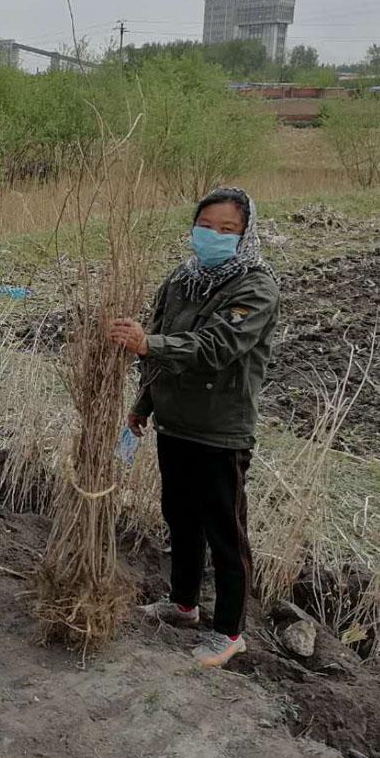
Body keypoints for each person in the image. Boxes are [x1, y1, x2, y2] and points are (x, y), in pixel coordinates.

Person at [108, 186, 280, 668]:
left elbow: (215, 348)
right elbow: (156, 351)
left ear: (246, 236)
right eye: (206, 226)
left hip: (219, 430)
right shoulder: (181, 280)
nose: (213, 236)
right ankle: (182, 603)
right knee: (179, 518)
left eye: (227, 230)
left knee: (224, 530)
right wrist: (142, 404)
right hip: (175, 423)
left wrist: (147, 345)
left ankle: (229, 632)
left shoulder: (255, 287)